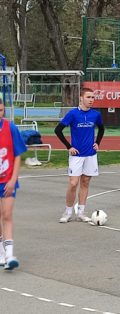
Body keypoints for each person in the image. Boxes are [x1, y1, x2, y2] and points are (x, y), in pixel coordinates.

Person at [55, 87, 105, 223]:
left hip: (90, 154)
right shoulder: (72, 114)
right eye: (88, 97)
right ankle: (68, 212)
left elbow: (101, 128)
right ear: (81, 98)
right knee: (73, 183)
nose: (91, 100)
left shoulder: (96, 115)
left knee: (85, 181)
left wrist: (97, 142)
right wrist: (68, 146)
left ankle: (81, 212)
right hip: (76, 154)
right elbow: (58, 130)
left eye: (93, 97)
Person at [0, 99, 27, 270]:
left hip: (7, 180)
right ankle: (1, 252)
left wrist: (13, 179)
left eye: (1, 110)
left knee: (7, 214)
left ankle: (9, 254)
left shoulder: (11, 128)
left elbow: (17, 155)